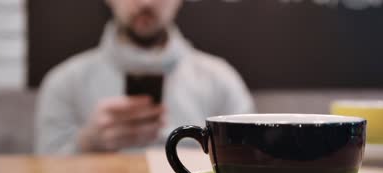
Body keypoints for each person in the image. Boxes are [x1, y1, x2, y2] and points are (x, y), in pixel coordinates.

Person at [35, 0, 255, 154]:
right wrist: (87, 142)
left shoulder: (221, 80)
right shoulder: (64, 82)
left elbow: (250, 160)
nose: (146, 2)